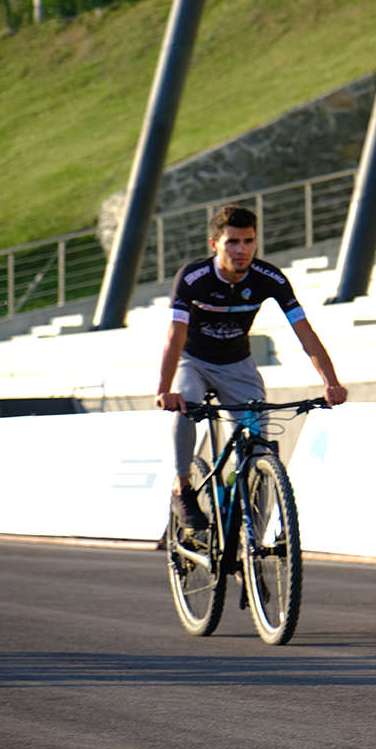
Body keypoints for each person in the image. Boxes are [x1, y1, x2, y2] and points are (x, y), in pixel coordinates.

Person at [158, 205, 348, 528]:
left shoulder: (269, 278)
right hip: (195, 362)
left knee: (258, 449)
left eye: (248, 241)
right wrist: (165, 389)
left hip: (238, 364)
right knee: (185, 406)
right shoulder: (193, 278)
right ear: (214, 244)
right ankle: (182, 485)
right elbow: (175, 337)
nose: (242, 249)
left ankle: (249, 535)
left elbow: (305, 333)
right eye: (232, 241)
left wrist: (331, 381)